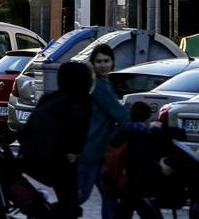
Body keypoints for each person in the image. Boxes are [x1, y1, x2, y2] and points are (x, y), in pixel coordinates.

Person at [20, 61, 92, 219]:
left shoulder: (49, 98)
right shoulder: (79, 102)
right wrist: (74, 151)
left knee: (68, 203)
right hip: (57, 160)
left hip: (30, 156)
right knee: (69, 204)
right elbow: (77, 131)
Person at [79, 44, 129, 219]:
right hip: (91, 151)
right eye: (98, 61)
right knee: (80, 195)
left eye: (106, 61)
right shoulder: (99, 86)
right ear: (93, 63)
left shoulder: (104, 83)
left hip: (102, 152)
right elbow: (120, 114)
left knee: (110, 196)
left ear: (113, 62)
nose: (103, 65)